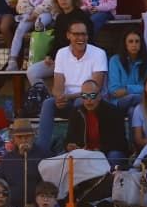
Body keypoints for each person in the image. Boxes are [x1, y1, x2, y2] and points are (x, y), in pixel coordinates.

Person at [37, 20, 107, 154]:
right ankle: (41, 151)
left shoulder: (99, 53)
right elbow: (58, 86)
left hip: (89, 100)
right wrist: (59, 98)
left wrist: (68, 96)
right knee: (48, 103)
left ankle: (76, 147)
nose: (81, 38)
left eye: (84, 34)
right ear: (68, 35)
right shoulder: (61, 53)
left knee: (81, 101)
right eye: (76, 34)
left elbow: (95, 88)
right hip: (68, 101)